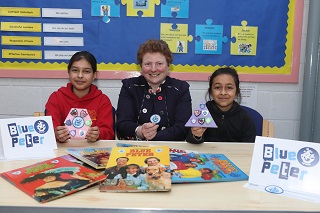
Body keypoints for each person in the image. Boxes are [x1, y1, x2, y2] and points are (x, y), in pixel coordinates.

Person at [116, 39, 192, 141]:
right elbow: (122, 124)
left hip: (170, 149)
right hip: (135, 149)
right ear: (141, 67)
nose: (153, 69)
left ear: (168, 65)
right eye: (148, 64)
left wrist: (152, 136)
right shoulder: (129, 86)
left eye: (159, 63)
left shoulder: (181, 89)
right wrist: (140, 131)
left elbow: (183, 129)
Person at [45, 51, 114, 143]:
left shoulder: (102, 100)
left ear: (94, 75)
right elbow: (49, 131)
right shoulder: (56, 98)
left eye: (86, 71)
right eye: (75, 70)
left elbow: (108, 133)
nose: (80, 76)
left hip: (93, 153)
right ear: (68, 72)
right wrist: (56, 134)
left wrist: (98, 134)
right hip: (62, 151)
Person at [186, 67, 256, 143]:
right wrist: (196, 135)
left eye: (229, 88)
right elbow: (190, 142)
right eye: (217, 87)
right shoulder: (203, 113)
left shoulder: (245, 118)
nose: (223, 93)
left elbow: (249, 148)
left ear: (237, 92)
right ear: (210, 92)